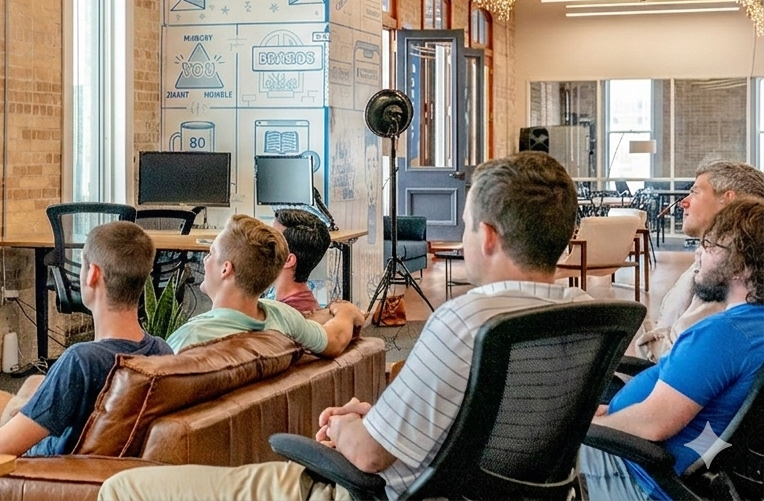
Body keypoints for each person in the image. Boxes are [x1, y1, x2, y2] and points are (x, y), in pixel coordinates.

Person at [99, 151, 591, 501]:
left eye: (463, 226)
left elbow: (371, 457)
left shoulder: (466, 321)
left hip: (361, 492)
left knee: (125, 487)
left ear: (486, 236)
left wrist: (346, 423)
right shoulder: (582, 313)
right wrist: (377, 414)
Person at [0, 222, 171, 455]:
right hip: (81, 452)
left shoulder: (82, 361)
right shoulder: (161, 351)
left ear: (93, 275)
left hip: (36, 466)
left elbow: (0, 445)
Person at [581, 198, 764, 500]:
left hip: (636, 474)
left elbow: (652, 425)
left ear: (740, 266)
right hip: (684, 466)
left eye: (709, 246)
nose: (698, 254)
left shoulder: (723, 334)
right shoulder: (752, 329)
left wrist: (586, 424)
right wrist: (608, 413)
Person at [167, 214, 365, 355]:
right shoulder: (283, 316)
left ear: (225, 269)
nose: (205, 260)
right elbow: (335, 340)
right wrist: (346, 310)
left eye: (211, 253)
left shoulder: (189, 339)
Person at [632, 161, 764, 361]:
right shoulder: (728, 264)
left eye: (695, 192)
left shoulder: (725, 277)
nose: (684, 202)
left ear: (727, 200)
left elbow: (680, 354)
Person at [269, 208, 332, 314]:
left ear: (288, 260)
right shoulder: (299, 302)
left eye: (269, 240)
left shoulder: (286, 317)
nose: (260, 245)